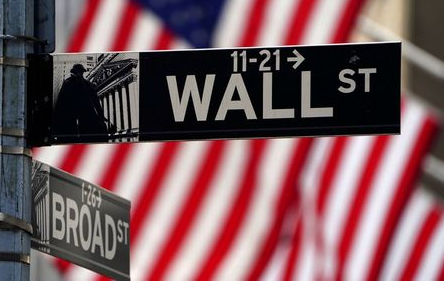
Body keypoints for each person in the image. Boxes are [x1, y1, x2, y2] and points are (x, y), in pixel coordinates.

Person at [53, 64, 109, 142]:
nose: (80, 74)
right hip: (74, 118)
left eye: (81, 72)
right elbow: (61, 103)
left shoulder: (85, 84)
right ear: (75, 72)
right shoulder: (70, 83)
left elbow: (96, 101)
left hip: (83, 117)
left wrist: (101, 115)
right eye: (79, 72)